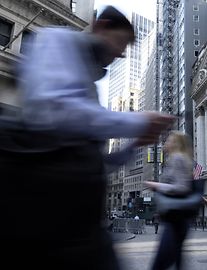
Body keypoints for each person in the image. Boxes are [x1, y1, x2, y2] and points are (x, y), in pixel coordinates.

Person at [0, 6, 174, 270]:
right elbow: (56, 111)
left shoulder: (89, 89)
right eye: (121, 42)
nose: (121, 53)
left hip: (82, 225)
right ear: (101, 26)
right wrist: (138, 121)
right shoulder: (57, 39)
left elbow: (97, 162)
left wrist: (132, 147)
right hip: (44, 213)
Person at [145, 131, 194, 270]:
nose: (166, 143)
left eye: (169, 141)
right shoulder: (176, 158)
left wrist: (156, 185)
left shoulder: (177, 158)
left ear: (175, 144)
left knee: (159, 264)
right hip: (177, 219)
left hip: (175, 219)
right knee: (176, 261)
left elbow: (182, 187)